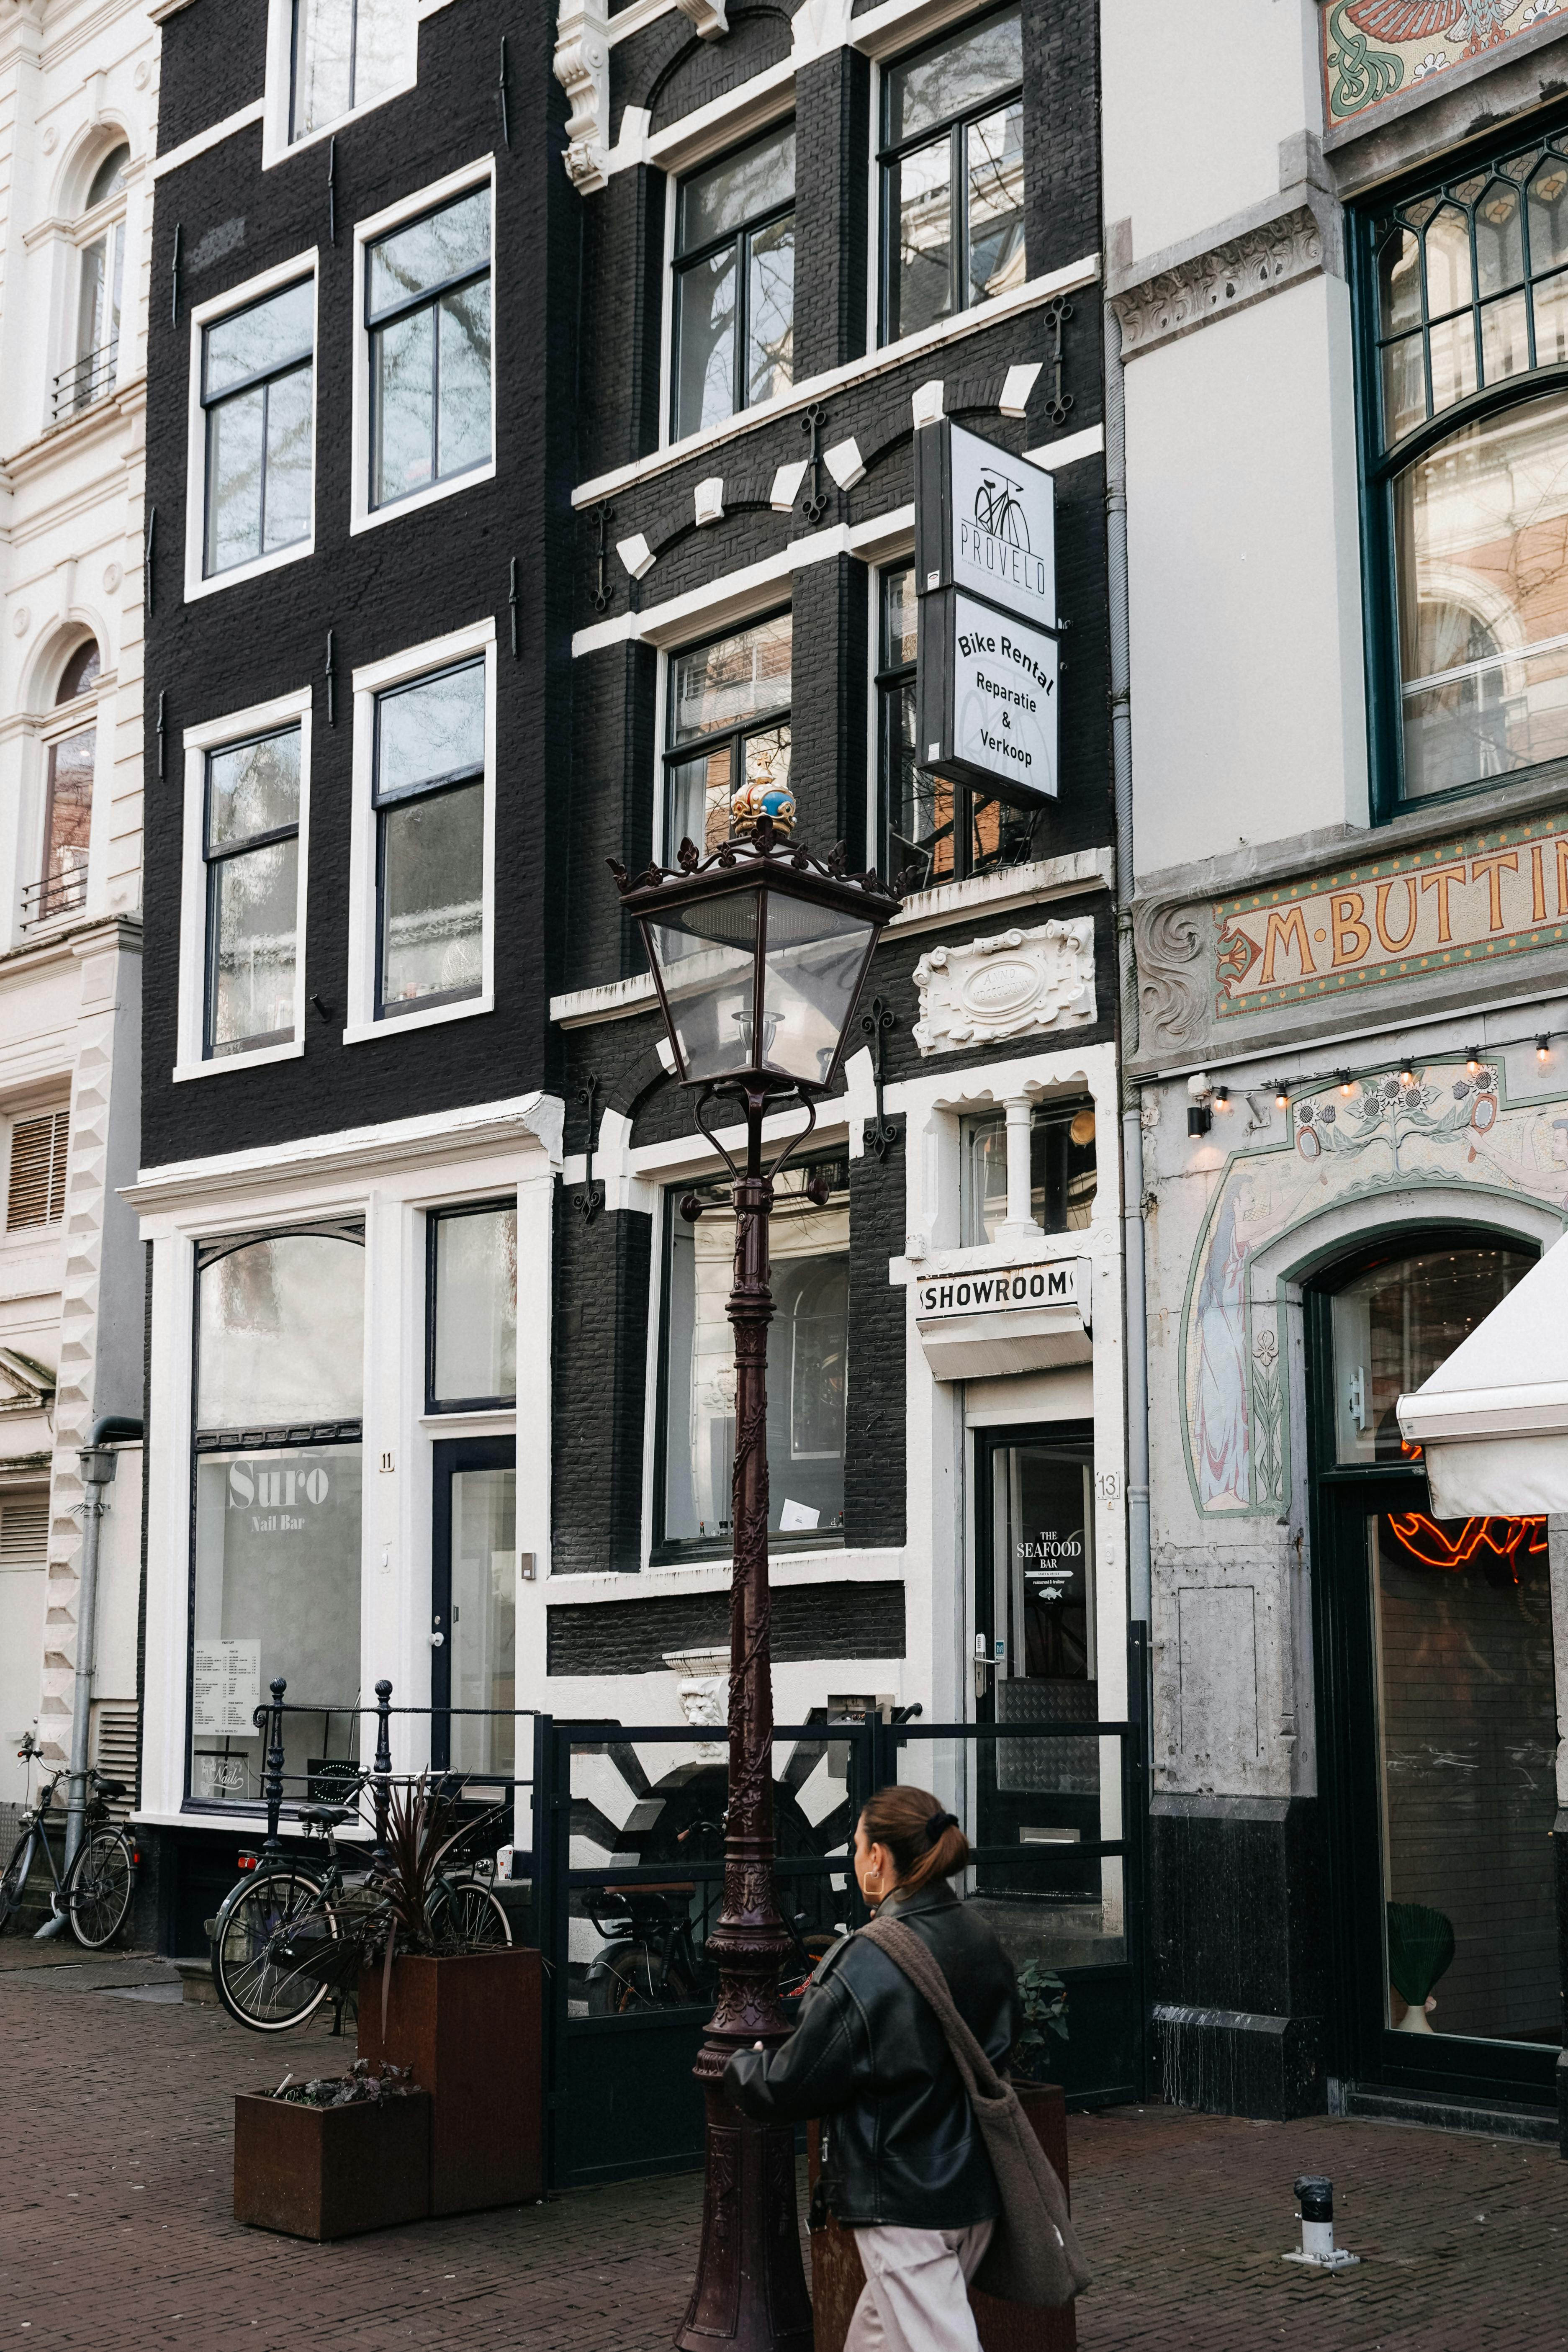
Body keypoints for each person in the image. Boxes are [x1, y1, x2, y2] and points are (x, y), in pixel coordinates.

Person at [724, 1784, 1020, 2352]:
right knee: (876, 2342)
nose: (854, 1858)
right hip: (974, 2186)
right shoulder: (978, 1936)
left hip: (905, 2201)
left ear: (877, 1857)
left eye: (856, 1846)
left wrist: (745, 2069)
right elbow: (1000, 2044)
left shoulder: (868, 1960)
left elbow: (796, 2081)